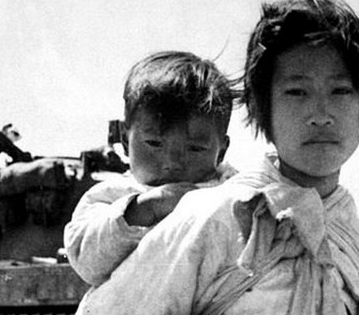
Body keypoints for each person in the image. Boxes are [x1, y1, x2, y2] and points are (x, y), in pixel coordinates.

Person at [75, 0, 359, 315]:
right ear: (264, 108)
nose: (321, 113)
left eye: (341, 90)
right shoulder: (215, 213)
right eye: (296, 91)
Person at [64, 50, 236, 288]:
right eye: (154, 143)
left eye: (195, 148)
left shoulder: (233, 194)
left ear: (221, 151)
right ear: (125, 140)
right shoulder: (112, 196)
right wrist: (141, 210)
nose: (173, 163)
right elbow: (85, 259)